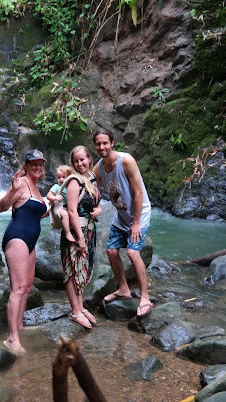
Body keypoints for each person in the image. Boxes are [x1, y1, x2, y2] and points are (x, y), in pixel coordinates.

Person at [92, 128, 153, 318]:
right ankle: (124, 289)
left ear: (112, 143)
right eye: (98, 144)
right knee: (111, 251)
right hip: (121, 215)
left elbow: (139, 193)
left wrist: (136, 223)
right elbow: (91, 190)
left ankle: (145, 298)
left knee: (133, 253)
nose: (102, 147)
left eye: (105, 143)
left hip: (139, 214)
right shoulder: (99, 168)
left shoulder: (125, 161)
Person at [0, 149, 49, 355]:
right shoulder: (20, 183)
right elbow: (1, 207)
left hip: (30, 241)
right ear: (25, 165)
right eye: (33, 163)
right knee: (18, 288)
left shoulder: (36, 186)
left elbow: (35, 213)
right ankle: (12, 339)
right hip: (17, 238)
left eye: (40, 164)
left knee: (27, 287)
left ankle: (19, 327)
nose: (38, 167)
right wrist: (12, 191)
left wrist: (52, 207)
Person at [61, 145, 102, 329]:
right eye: (76, 161)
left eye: (82, 159)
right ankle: (75, 311)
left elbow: (95, 203)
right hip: (77, 233)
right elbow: (71, 211)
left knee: (83, 270)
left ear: (89, 159)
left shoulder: (91, 178)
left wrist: (99, 210)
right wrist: (80, 238)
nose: (80, 163)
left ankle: (80, 307)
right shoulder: (74, 182)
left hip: (90, 230)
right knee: (72, 270)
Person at [46, 165, 75, 242]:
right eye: (59, 177)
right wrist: (55, 198)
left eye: (64, 177)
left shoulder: (71, 186)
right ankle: (67, 233)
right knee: (65, 215)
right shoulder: (57, 186)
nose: (61, 179)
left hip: (68, 206)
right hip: (60, 206)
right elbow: (49, 195)